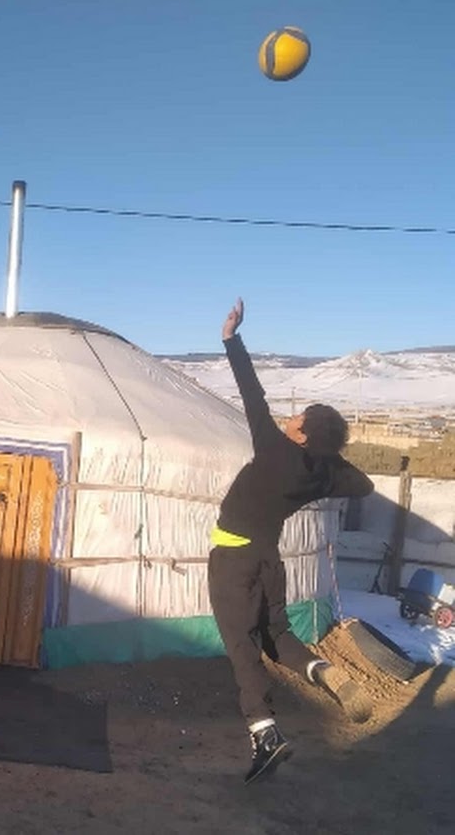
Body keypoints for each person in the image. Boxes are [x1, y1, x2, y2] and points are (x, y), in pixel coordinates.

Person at [209, 298, 375, 785]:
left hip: (233, 559)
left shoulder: (272, 446)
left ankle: (264, 732)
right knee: (276, 635)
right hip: (269, 559)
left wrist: (230, 337)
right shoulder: (322, 472)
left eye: (299, 417)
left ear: (302, 435)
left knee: (241, 644)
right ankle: (321, 670)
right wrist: (328, 459)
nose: (290, 418)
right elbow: (363, 484)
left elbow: (250, 390)